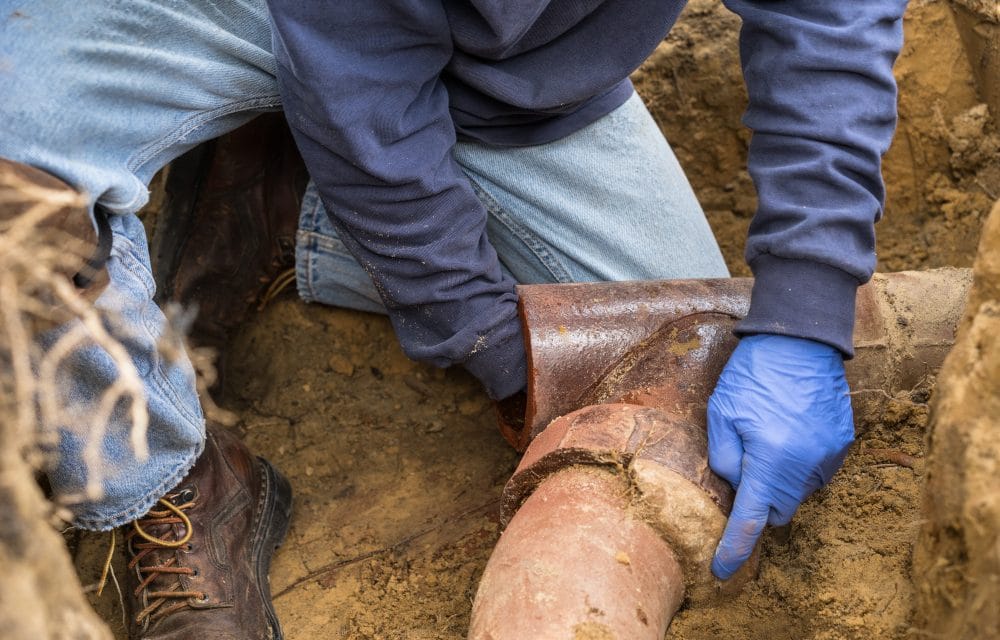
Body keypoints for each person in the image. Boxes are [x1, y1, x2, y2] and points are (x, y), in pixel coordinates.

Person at [0, 0, 908, 637]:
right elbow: (369, 114)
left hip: (505, 71)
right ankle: (168, 480)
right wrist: (498, 350)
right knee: (11, 185)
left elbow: (830, 17)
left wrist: (805, 311)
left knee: (678, 370)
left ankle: (283, 205)